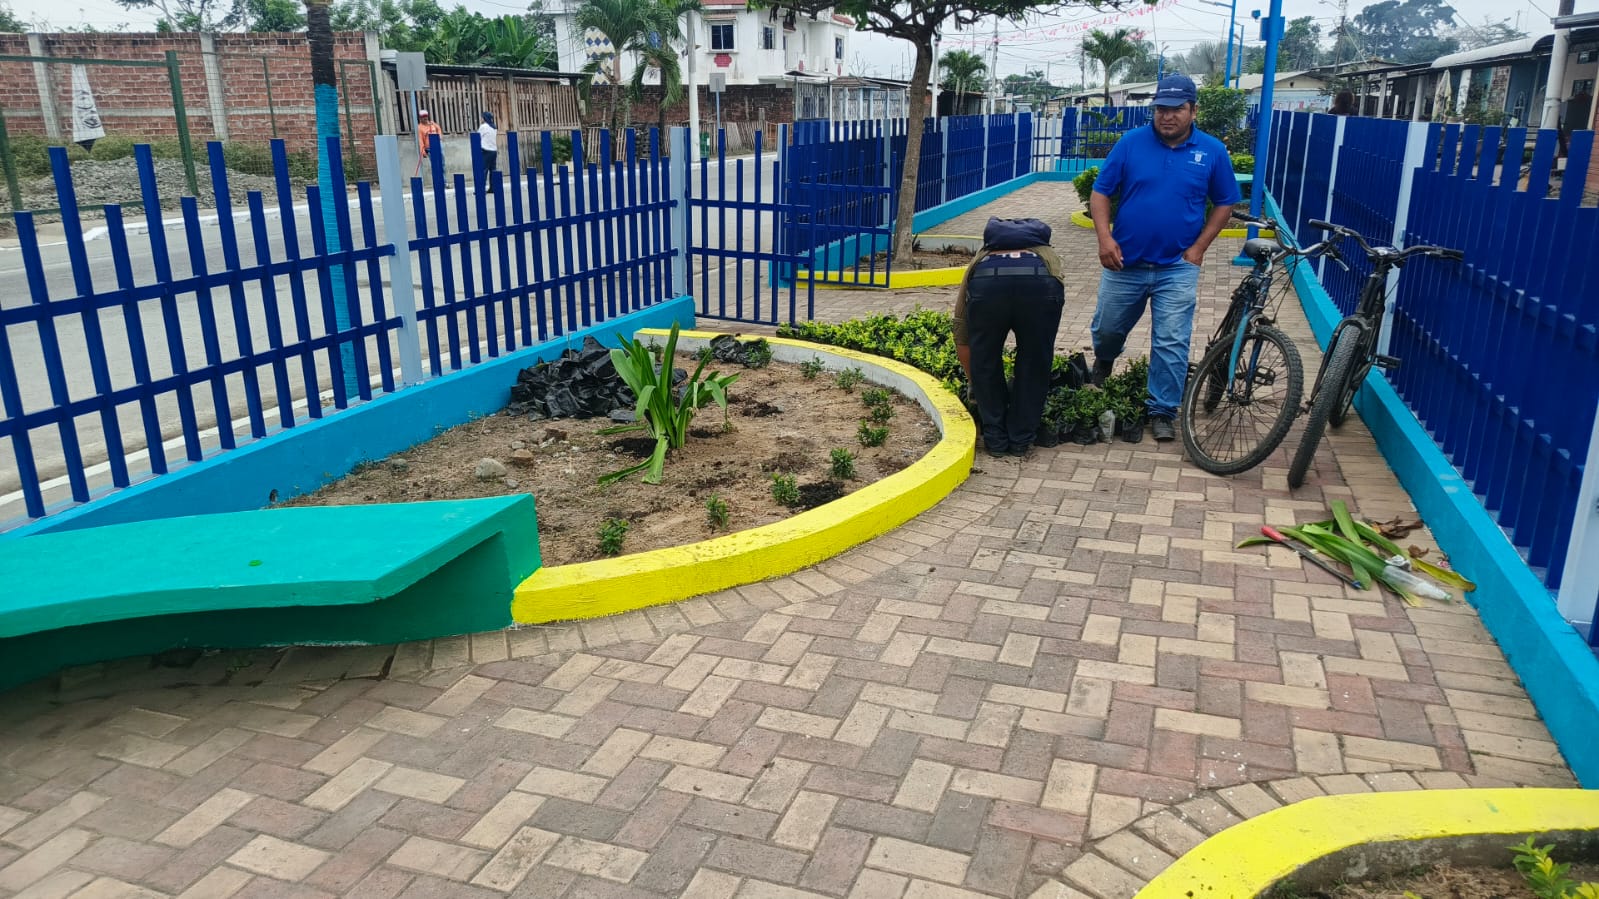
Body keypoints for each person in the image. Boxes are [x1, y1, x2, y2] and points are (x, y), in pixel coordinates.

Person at [1088, 73, 1241, 443]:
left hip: (1177, 267)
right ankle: (1105, 360)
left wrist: (1199, 248)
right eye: (1161, 109)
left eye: (1176, 109)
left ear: (1193, 111)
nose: (1167, 116)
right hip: (1124, 263)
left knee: (1171, 339)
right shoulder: (1131, 143)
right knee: (1107, 330)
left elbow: (1225, 202)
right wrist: (1105, 238)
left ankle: (1162, 410)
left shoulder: (1211, 151)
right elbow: (1101, 192)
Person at [953, 217, 1067, 457]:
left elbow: (962, 332)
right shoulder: (1048, 256)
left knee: (985, 359)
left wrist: (975, 382)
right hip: (1041, 285)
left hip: (987, 287)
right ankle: (1021, 440)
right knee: (1035, 360)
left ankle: (995, 439)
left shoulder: (981, 257)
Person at [477, 110, 499, 196]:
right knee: (493, 170)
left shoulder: (483, 126)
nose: (481, 119)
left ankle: (481, 189)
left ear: (485, 118)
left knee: (483, 170)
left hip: (485, 150)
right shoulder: (494, 127)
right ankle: (493, 188)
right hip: (494, 150)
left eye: (482, 117)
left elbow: (477, 136)